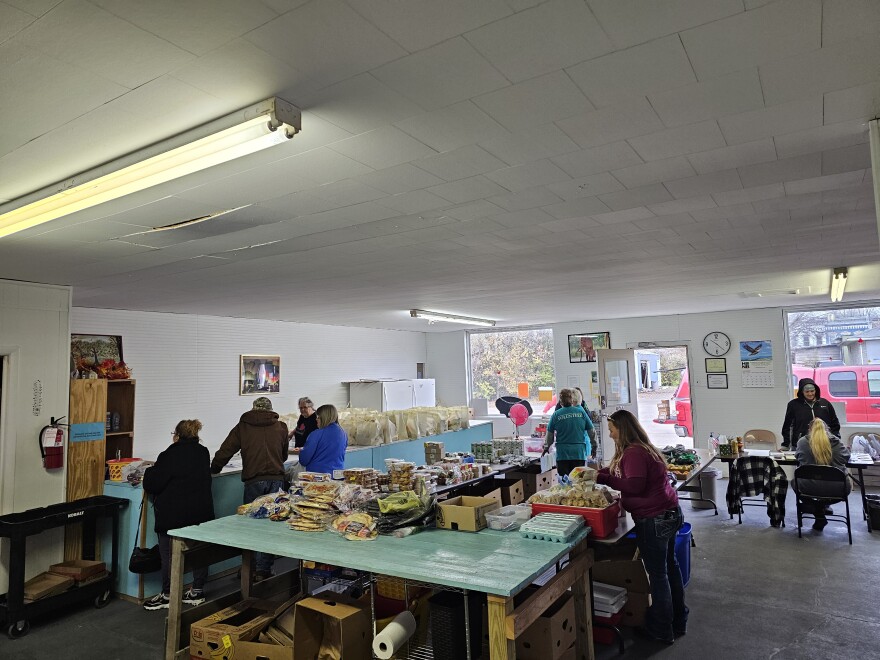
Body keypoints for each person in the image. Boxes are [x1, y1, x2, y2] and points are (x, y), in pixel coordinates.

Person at [597, 410, 686, 645]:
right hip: (668, 513)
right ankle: (678, 620)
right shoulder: (640, 448)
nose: (610, 433)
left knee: (658, 576)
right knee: (669, 568)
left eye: (612, 429)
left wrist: (603, 479)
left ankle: (661, 630)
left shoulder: (634, 453)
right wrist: (598, 473)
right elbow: (620, 473)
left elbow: (634, 486)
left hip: (654, 518)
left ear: (622, 429)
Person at [211, 397, 288, 580]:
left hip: (254, 481)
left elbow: (226, 450)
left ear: (253, 409)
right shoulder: (281, 427)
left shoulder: (243, 427)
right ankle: (265, 568)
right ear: (270, 410)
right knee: (271, 525)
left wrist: (214, 469)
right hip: (276, 481)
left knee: (251, 526)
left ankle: (249, 568)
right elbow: (283, 454)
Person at [142, 419, 214, 611]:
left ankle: (167, 594)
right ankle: (197, 590)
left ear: (177, 435)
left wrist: (149, 470)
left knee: (168, 554)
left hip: (173, 515)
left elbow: (153, 484)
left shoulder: (169, 454)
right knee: (199, 552)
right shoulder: (203, 452)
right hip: (200, 513)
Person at [795, 418, 851, 531]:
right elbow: (846, 458)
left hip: (808, 488)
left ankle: (818, 511)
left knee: (794, 483)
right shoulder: (836, 441)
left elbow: (798, 457)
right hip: (838, 489)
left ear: (809, 429)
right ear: (827, 429)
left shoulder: (802, 442)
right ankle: (821, 507)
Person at [544, 388, 594, 478]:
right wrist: (594, 447)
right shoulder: (581, 412)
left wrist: (546, 447)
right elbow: (591, 431)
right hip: (578, 454)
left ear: (560, 401)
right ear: (572, 399)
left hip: (563, 455)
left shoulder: (556, 414)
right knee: (579, 482)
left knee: (564, 483)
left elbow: (549, 433)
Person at [781, 378, 840, 450]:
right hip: (801, 444)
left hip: (824, 442)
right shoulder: (793, 405)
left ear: (816, 390)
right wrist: (786, 445)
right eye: (807, 391)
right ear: (802, 392)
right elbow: (787, 426)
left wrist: (836, 440)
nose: (810, 394)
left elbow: (835, 423)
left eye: (812, 391)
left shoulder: (825, 403)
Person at [298, 404, 347, 475]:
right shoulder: (343, 433)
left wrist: (302, 451)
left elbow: (304, 460)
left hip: (319, 477)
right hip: (338, 474)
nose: (316, 419)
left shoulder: (316, 434)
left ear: (324, 417)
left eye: (318, 417)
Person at [555, 386, 598, 460]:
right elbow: (591, 430)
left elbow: (590, 430)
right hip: (578, 447)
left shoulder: (582, 409)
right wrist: (594, 446)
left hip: (575, 447)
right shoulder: (581, 410)